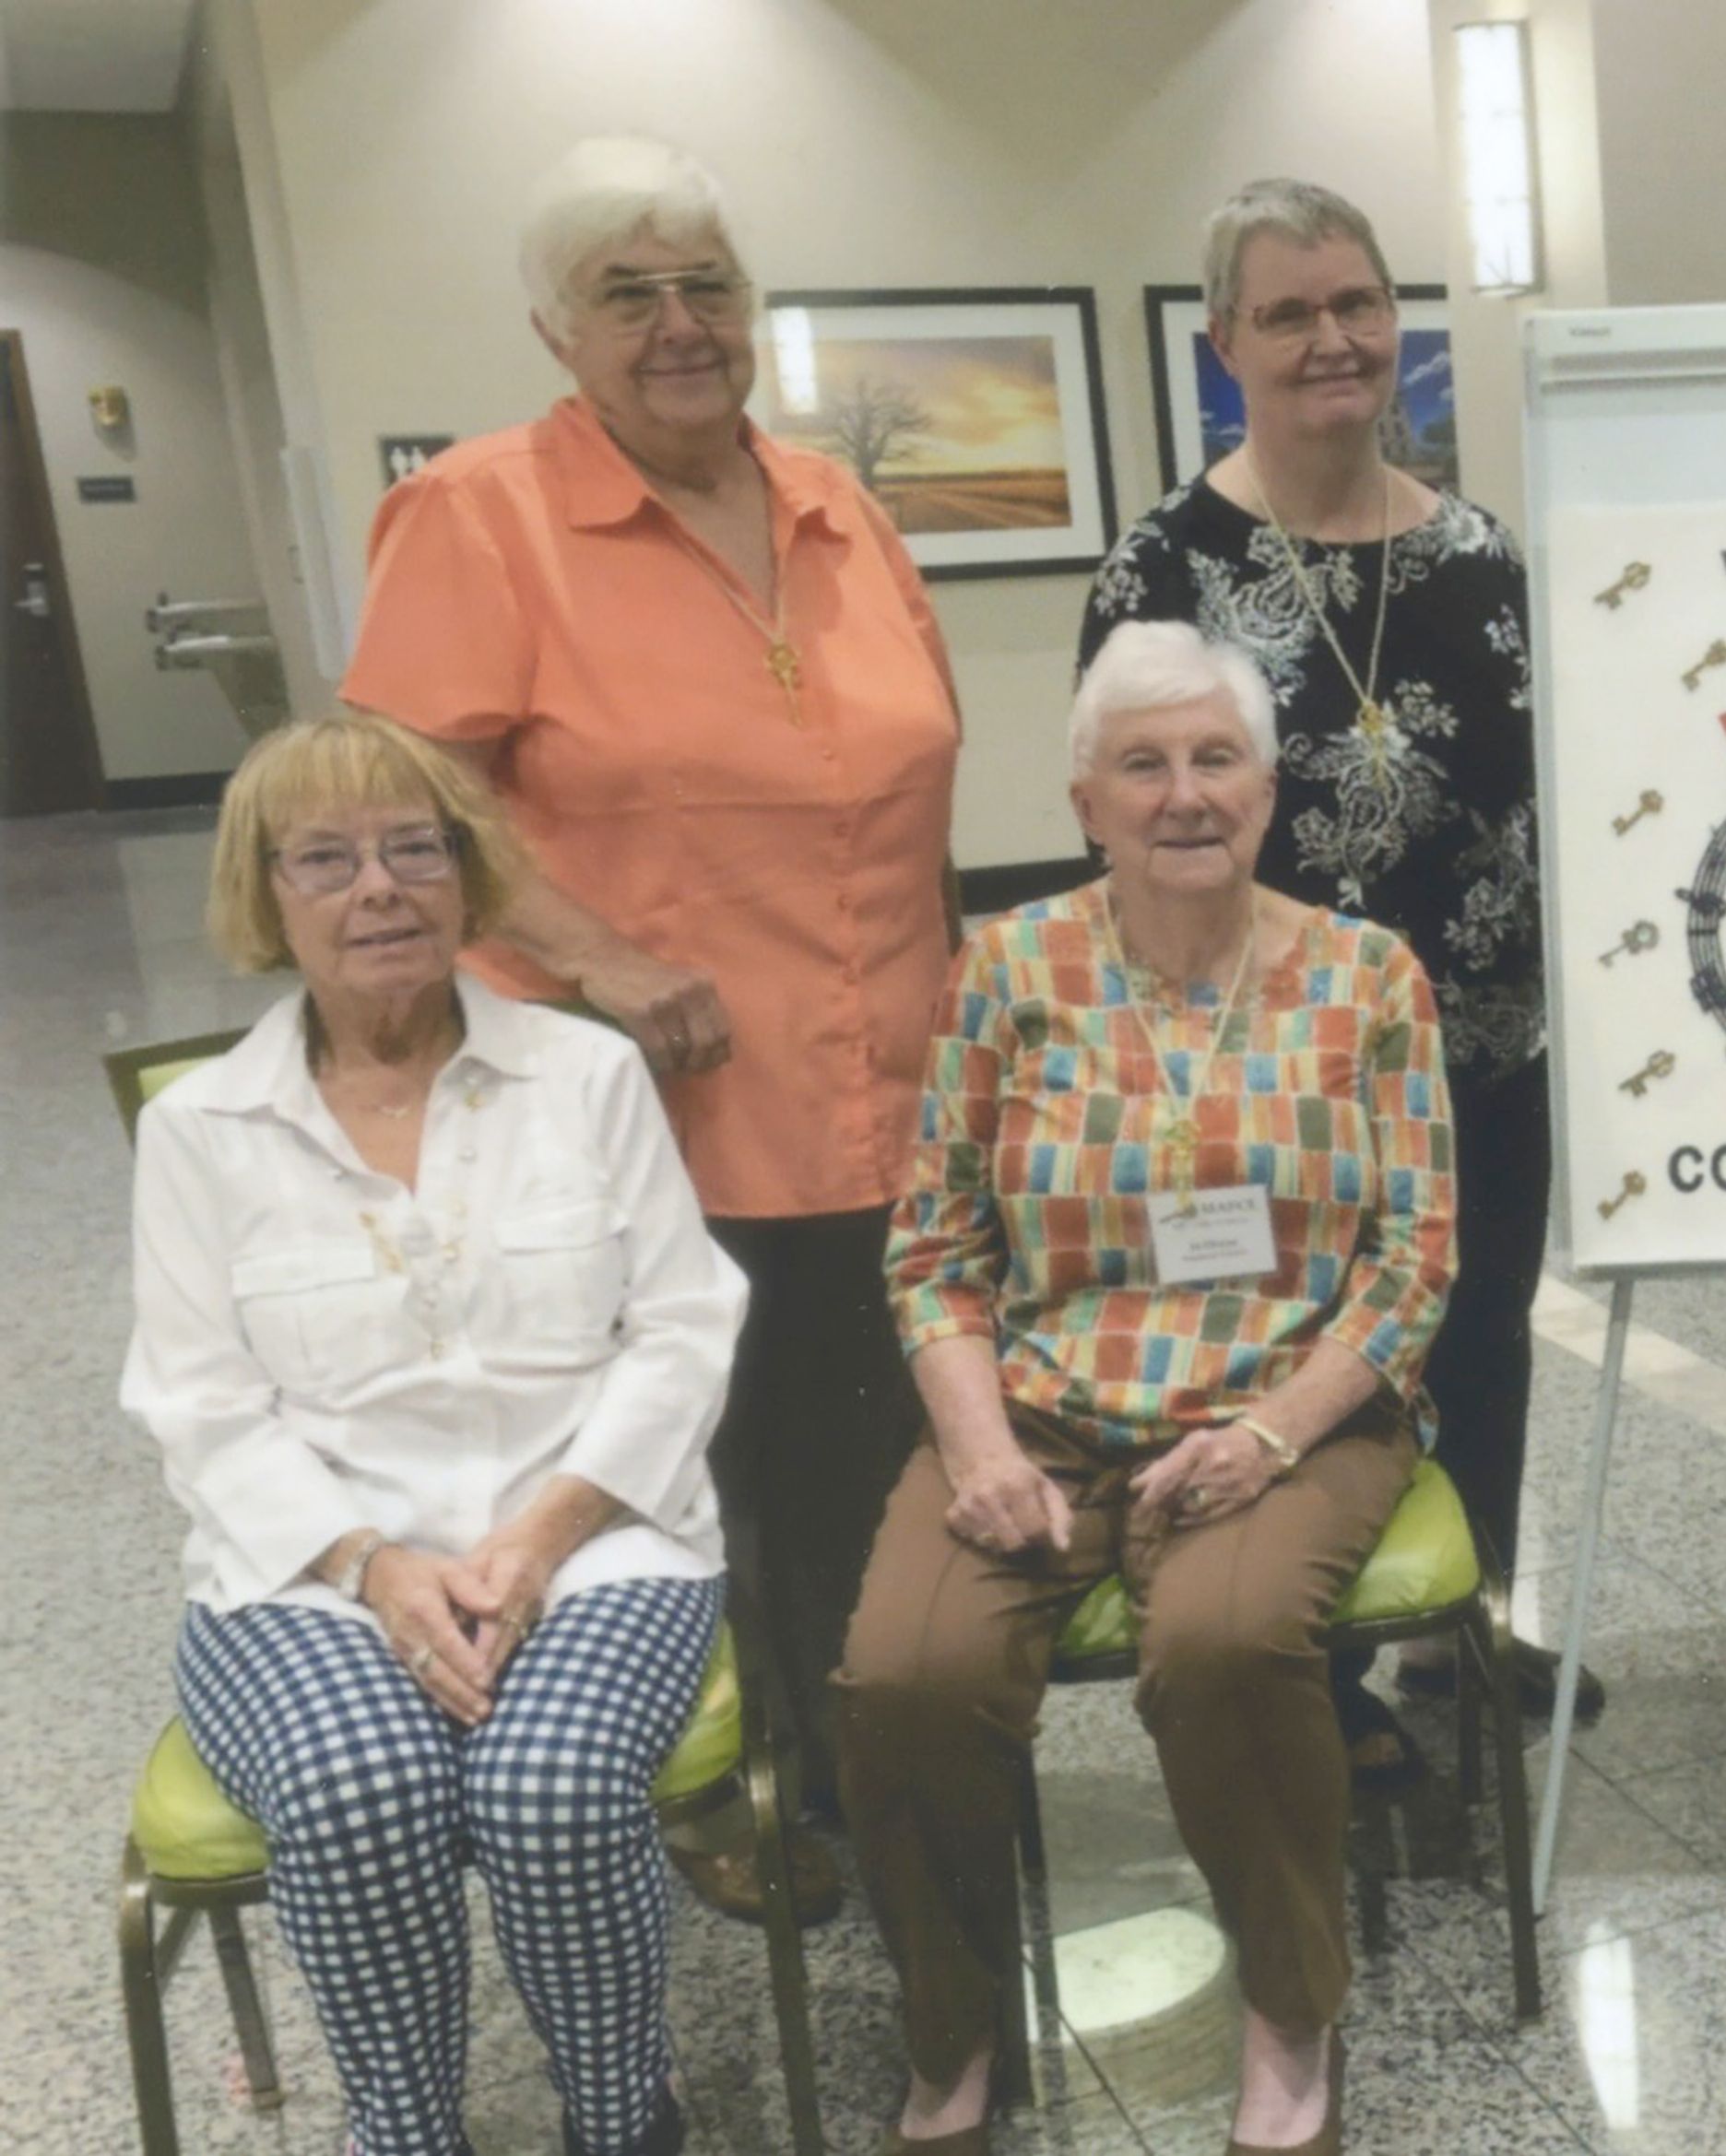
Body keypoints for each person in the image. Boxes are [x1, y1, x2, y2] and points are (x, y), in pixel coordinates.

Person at [341, 134, 963, 1917]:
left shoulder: (836, 501)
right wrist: (597, 952)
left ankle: (858, 1759)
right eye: (631, 291)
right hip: (645, 1109)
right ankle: (712, 1785)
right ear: (557, 328)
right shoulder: (484, 511)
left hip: (886, 1074)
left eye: (709, 283)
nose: (680, 322)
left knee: (858, 1434)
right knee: (693, 1454)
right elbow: (403, 787)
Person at [836, 622, 1454, 2156]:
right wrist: (976, 1445)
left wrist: (1270, 1427)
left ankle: (1291, 2003)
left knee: (1227, 1637)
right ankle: (952, 2019)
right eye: (1145, 763)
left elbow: (1415, 1254)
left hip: (1292, 1397)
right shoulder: (1009, 964)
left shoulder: (1368, 973)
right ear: (1086, 799)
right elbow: (933, 1244)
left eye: (1216, 757)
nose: (1186, 794)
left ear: (1268, 785)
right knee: (904, 1673)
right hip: (1042, 1400)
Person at [124, 713, 747, 2156]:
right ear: (264, 896)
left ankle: (619, 2114)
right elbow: (199, 1402)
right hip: (308, 1568)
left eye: (417, 849)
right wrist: (373, 1563)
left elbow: (681, 1325)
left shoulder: (587, 1077)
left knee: (550, 1780)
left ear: (470, 879)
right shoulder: (204, 1130)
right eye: (326, 860)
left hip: (597, 1541)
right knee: (356, 1785)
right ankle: (405, 2132)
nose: (380, 889)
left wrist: (537, 1538)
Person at [1078, 178, 1569, 1773]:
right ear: (1226, 344)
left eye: (1357, 303)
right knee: (1296, 1350)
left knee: (1481, 1329)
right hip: (1269, 1077)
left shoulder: (1485, 555)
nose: (1332, 339)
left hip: (1483, 1048)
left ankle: (1460, 1615)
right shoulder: (1164, 567)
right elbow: (1131, 837)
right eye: (1287, 313)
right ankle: (1320, 1660)